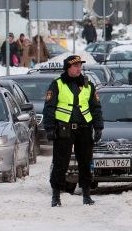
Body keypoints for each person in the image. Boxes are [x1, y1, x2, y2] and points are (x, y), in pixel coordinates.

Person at [43, 55, 103, 207]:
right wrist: (49, 128)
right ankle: (56, 196)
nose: (78, 69)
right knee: (60, 163)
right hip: (64, 129)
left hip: (84, 129)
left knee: (85, 162)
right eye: (75, 66)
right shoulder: (57, 84)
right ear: (68, 68)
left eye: (79, 66)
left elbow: (96, 108)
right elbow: (49, 107)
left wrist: (98, 127)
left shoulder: (88, 85)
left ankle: (87, 195)